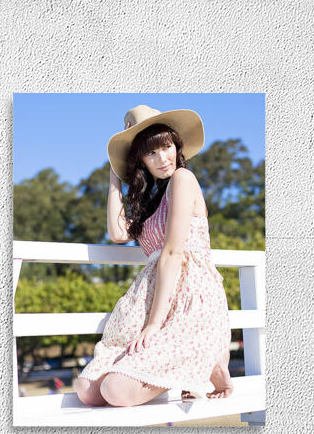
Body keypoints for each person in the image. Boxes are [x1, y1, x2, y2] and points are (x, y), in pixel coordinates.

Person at [74, 104, 233, 408]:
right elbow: (118, 233)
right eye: (151, 153)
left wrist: (154, 325)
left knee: (115, 391)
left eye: (167, 147)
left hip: (188, 298)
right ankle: (196, 365)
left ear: (177, 146)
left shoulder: (183, 179)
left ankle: (207, 361)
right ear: (140, 161)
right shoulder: (150, 200)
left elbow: (173, 253)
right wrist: (114, 174)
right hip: (153, 297)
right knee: (88, 390)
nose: (163, 159)